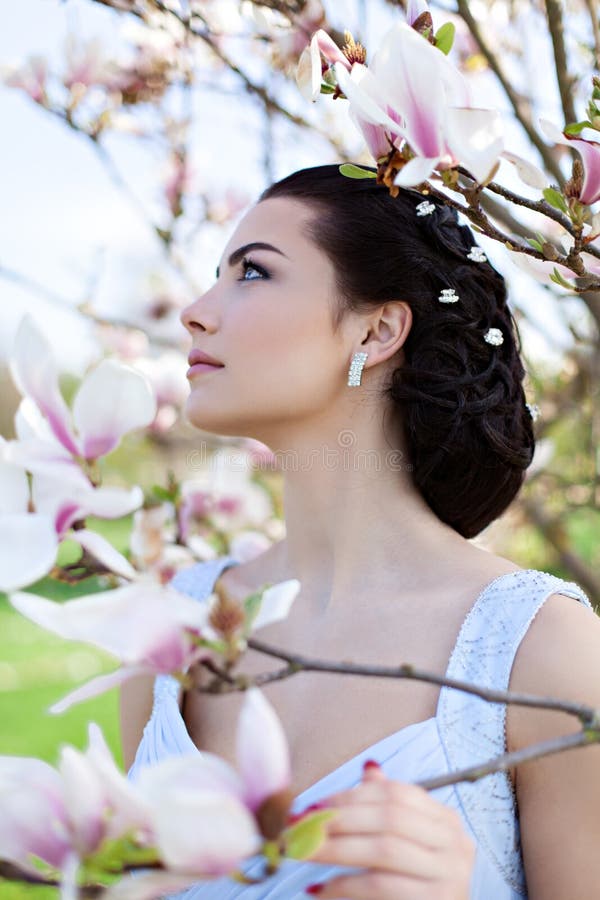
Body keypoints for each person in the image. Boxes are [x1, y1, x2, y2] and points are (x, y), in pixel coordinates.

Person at [122, 164, 600, 899]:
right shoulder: (172, 633)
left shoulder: (542, 650)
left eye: (251, 272)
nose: (195, 310)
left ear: (376, 330)